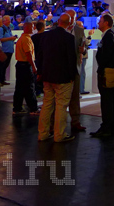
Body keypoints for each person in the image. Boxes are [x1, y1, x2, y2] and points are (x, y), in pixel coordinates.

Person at [36, 13, 78, 143]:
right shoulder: (69, 38)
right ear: (69, 23)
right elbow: (71, 58)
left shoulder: (46, 35)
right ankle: (59, 134)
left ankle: (43, 133)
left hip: (47, 75)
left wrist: (40, 72)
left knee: (47, 104)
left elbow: (40, 55)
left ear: (58, 21)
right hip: (63, 77)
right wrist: (72, 76)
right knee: (61, 106)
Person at [92, 14, 114, 138]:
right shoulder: (113, 36)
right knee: (112, 100)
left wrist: (102, 65)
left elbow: (105, 56)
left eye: (100, 21)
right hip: (111, 72)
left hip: (106, 73)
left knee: (107, 100)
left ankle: (106, 127)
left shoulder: (108, 37)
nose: (98, 23)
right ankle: (111, 126)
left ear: (106, 23)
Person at [13, 22, 39, 115]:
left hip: (20, 65)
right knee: (29, 87)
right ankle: (33, 108)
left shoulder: (22, 38)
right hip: (25, 66)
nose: (33, 28)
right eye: (32, 27)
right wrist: (34, 66)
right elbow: (28, 54)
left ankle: (17, 107)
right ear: (27, 28)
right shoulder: (26, 39)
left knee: (19, 87)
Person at [0, 16, 17, 85]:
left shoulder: (8, 29)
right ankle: (0, 80)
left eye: (9, 20)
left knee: (5, 66)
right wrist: (10, 38)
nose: (9, 21)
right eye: (8, 20)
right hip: (4, 50)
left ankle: (2, 80)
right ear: (3, 21)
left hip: (9, 50)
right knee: (2, 66)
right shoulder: (1, 29)